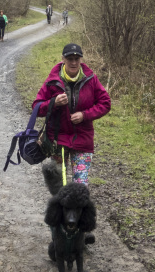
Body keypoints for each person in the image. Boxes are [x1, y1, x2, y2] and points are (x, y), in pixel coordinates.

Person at [33, 43, 111, 185]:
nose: (74, 62)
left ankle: (76, 208)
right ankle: (61, 208)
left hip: (83, 139)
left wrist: (84, 115)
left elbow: (105, 103)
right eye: (70, 58)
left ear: (81, 59)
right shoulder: (52, 81)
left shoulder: (91, 79)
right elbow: (36, 108)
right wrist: (53, 103)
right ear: (63, 59)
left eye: (77, 58)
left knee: (80, 187)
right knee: (58, 186)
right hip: (58, 140)